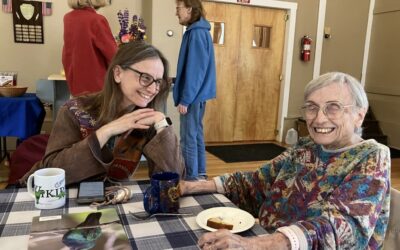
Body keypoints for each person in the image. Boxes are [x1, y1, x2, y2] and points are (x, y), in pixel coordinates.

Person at [180, 72, 391, 249]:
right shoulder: (305, 147)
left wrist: (252, 245)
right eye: (312, 107)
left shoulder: (372, 156)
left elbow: (342, 228)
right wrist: (192, 186)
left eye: (333, 107)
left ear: (359, 116)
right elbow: (257, 182)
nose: (319, 118)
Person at [20, 41, 185, 186]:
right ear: (118, 73)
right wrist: (106, 132)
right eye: (145, 78)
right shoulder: (75, 110)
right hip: (53, 198)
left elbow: (172, 183)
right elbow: (53, 172)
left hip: (110, 204)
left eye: (158, 82)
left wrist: (163, 126)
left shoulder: (146, 120)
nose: (152, 89)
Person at [173, 0, 216, 180]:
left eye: (178, 9)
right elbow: (195, 68)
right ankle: (200, 174)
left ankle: (190, 179)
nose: (176, 13)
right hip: (197, 96)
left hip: (193, 97)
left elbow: (196, 71)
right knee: (196, 135)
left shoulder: (197, 33)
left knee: (187, 139)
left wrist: (185, 99)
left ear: (189, 9)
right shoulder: (197, 31)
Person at [62, 0, 117, 97]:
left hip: (75, 84)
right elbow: (114, 55)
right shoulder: (96, 20)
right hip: (95, 87)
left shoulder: (68, 18)